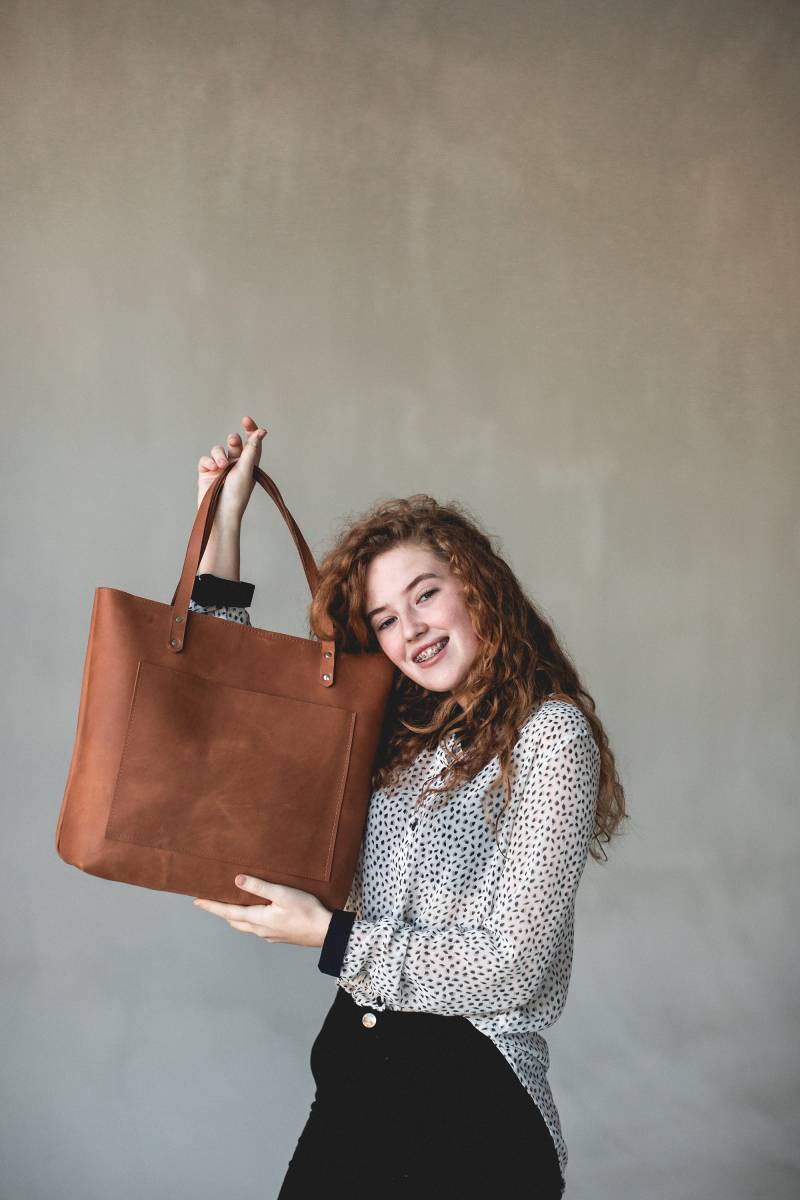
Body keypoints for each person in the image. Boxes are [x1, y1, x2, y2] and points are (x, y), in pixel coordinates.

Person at [190, 416, 628, 1198]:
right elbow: (238, 700)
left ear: (477, 586)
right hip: (355, 1083)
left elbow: (510, 966)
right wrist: (225, 518)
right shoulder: (388, 736)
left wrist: (330, 938)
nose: (412, 628)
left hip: (472, 1108)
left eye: (425, 593)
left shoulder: (549, 736)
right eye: (386, 618)